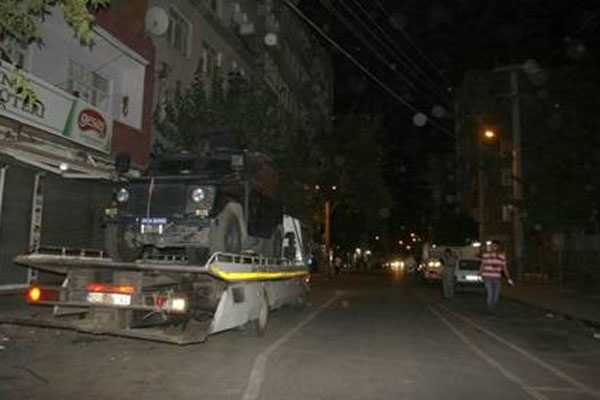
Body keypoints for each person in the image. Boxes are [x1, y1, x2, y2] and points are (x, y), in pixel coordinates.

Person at [479, 241, 513, 312]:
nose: (493, 247)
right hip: (487, 277)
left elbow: (504, 267)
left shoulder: (501, 256)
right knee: (490, 293)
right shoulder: (486, 255)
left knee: (496, 294)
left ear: (498, 247)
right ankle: (490, 308)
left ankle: (494, 306)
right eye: (492, 246)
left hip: (496, 277)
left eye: (495, 246)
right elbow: (482, 265)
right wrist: (479, 274)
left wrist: (508, 278)